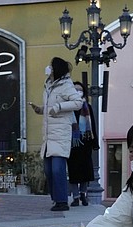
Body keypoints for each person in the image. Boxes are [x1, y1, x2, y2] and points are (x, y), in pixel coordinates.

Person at [30, 57, 84, 211]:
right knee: (48, 170)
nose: (48, 69)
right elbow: (50, 108)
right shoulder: (48, 86)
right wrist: (40, 109)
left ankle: (62, 201)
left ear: (56, 69)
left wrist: (59, 106)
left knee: (57, 169)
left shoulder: (66, 85)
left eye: (51, 67)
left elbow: (78, 102)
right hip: (48, 135)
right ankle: (56, 199)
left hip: (60, 134)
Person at [66, 81, 95, 207]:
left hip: (85, 143)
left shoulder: (87, 107)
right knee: (73, 172)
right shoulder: (68, 108)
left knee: (85, 171)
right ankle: (76, 197)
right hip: (72, 144)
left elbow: (92, 126)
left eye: (80, 89)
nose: (78, 92)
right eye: (75, 89)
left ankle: (83, 194)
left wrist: (94, 143)